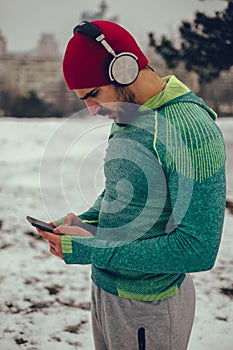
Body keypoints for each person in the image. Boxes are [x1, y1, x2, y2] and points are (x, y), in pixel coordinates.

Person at [38, 20, 226, 350]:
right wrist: (86, 221)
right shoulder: (130, 113)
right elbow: (122, 190)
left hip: (150, 307)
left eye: (94, 94)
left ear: (124, 69)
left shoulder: (191, 130)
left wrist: (91, 247)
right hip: (107, 292)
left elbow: (198, 249)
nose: (92, 110)